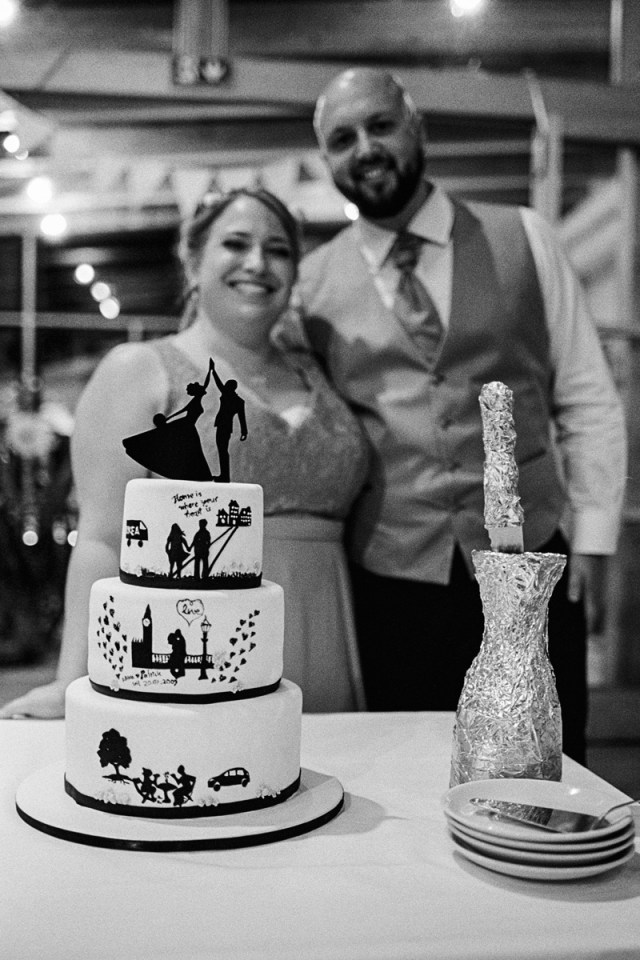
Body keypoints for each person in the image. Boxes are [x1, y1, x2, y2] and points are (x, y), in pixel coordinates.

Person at [290, 67, 627, 763]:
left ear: (417, 128)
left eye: (380, 126)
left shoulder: (525, 236)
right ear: (326, 159)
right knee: (404, 766)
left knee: (544, 762)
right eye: (342, 139)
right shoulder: (312, 285)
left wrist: (593, 537)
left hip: (529, 560)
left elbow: (586, 392)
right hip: (390, 577)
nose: (365, 149)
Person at [0, 187, 370, 719]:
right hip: (204, 638)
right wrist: (73, 682)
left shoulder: (321, 371)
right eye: (235, 243)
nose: (257, 263)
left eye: (279, 250)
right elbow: (104, 538)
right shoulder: (140, 371)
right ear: (193, 262)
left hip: (331, 625)